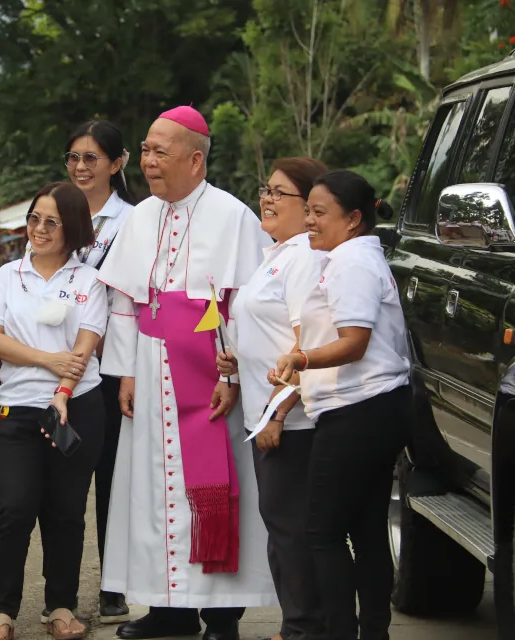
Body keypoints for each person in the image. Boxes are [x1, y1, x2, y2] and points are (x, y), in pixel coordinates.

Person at [97, 106, 278, 640]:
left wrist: (235, 375)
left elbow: (247, 304)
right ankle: (166, 611)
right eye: (146, 151)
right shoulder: (139, 216)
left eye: (159, 152)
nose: (147, 162)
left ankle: (221, 617)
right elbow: (126, 303)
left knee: (214, 488)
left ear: (195, 159)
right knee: (153, 489)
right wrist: (125, 371)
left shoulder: (234, 217)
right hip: (151, 374)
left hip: (209, 373)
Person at [271, 170, 410, 640]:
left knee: (322, 534)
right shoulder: (350, 257)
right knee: (367, 530)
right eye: (307, 210)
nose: (309, 220)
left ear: (353, 220)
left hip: (359, 409)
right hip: (375, 407)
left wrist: (300, 358)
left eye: (319, 212)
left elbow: (354, 343)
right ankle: (373, 632)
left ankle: (342, 633)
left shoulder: (351, 262)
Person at [0, 182, 108, 640]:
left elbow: (86, 344)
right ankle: (2, 611)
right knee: (14, 508)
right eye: (35, 218)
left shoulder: (89, 281)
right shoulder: (6, 275)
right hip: (20, 408)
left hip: (76, 407)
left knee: (66, 511)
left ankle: (61, 607)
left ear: (72, 227)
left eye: (51, 221)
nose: (39, 229)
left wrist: (63, 391)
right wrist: (46, 361)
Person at [216, 157, 329, 640]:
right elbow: (268, 330)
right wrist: (237, 364)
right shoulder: (275, 252)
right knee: (281, 528)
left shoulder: (304, 254)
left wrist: (279, 412)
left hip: (294, 420)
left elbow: (308, 342)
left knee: (293, 531)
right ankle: (296, 626)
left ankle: (306, 628)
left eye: (281, 193)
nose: (267, 197)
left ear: (309, 208)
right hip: (264, 411)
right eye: (266, 188)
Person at [63, 120, 136, 624]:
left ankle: (115, 586)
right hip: (59, 365)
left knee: (112, 477)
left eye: (91, 158)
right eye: (73, 157)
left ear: (118, 163)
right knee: (63, 479)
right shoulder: (54, 215)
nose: (81, 167)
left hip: (111, 368)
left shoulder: (133, 221)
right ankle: (60, 586)